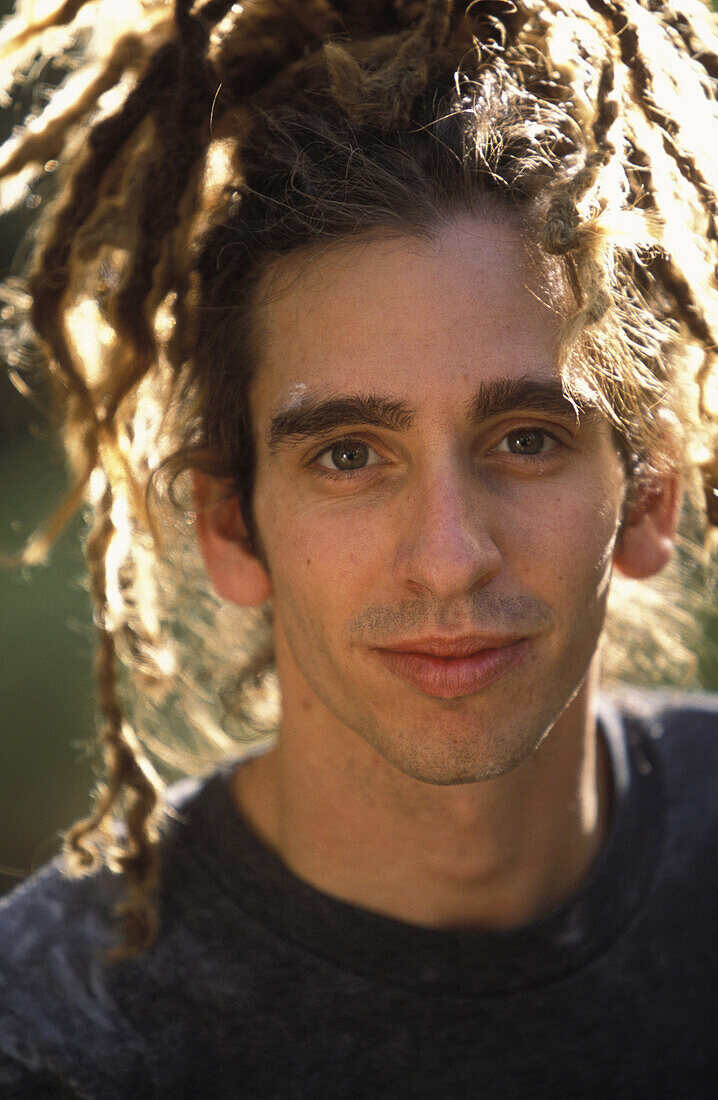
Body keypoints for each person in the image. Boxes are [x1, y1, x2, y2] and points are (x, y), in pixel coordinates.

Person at [0, 0, 717, 1094]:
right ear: (231, 523)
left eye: (526, 437)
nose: (448, 556)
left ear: (651, 493)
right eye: (347, 454)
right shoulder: (58, 1041)